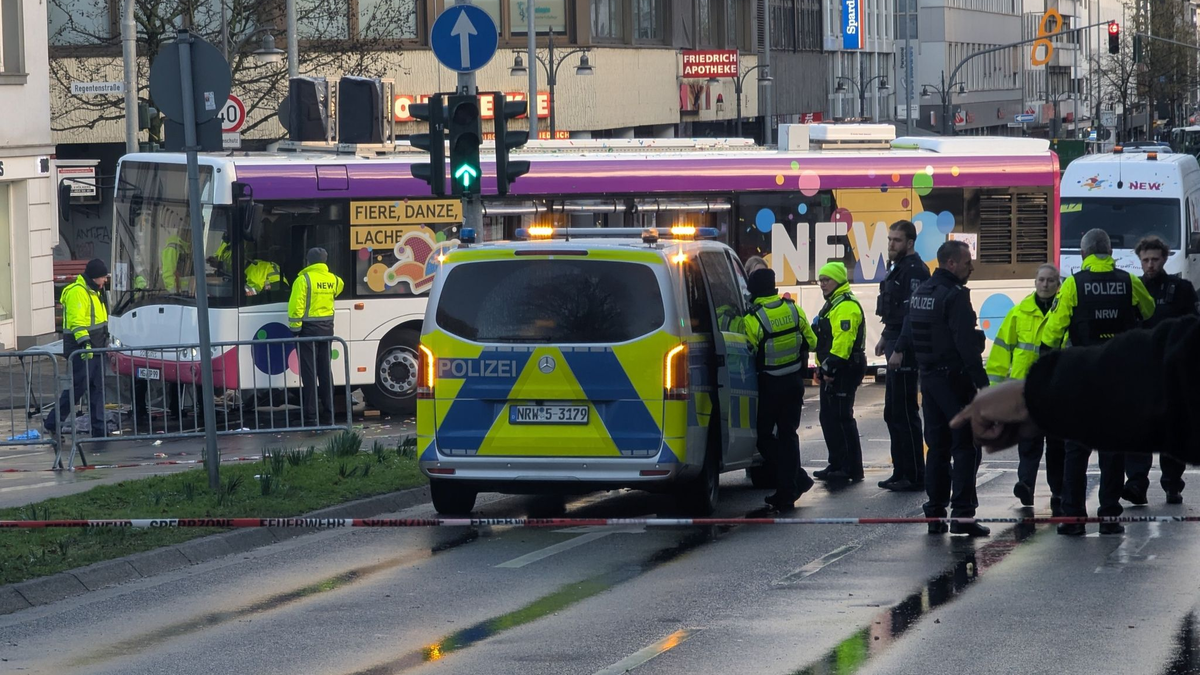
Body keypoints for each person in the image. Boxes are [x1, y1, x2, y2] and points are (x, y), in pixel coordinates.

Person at [1038, 228, 1155, 535]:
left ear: (1084, 254)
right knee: (1113, 450)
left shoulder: (1073, 285)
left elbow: (1052, 333)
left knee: (1076, 450)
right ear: (1110, 253)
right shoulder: (1129, 281)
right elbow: (1149, 310)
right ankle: (1110, 517)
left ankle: (1074, 518)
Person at [951, 316, 1200, 457]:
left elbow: (1179, 371)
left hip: (1043, 392)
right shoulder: (1023, 311)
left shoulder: (1071, 289)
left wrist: (1039, 394)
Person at [894, 240, 990, 537]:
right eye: (967, 262)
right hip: (955, 380)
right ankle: (962, 515)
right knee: (965, 447)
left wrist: (899, 349)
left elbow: (909, 329)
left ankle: (935, 513)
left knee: (937, 448)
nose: (971, 267)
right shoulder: (954, 295)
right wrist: (983, 384)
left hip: (929, 380)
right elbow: (965, 345)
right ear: (951, 263)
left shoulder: (922, 292)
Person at [1122, 235, 1197, 506]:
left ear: (1164, 259)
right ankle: (1136, 483)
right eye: (1146, 260)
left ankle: (1172, 484)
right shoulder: (1132, 288)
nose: (1150, 264)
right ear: (1139, 261)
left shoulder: (1181, 289)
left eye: (1155, 259)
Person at [984, 264, 1064, 514]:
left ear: (1058, 285)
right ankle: (1025, 485)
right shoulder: (1018, 313)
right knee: (1028, 441)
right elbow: (1000, 352)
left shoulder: (1064, 312)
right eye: (1041, 280)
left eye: (1050, 280)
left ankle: (1058, 491)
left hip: (1055, 390)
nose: (1045, 284)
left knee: (1056, 445)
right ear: (1035, 282)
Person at [741, 268, 819, 510]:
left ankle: (795, 481)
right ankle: (788, 490)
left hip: (770, 386)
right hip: (794, 384)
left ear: (753, 291)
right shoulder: (794, 309)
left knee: (765, 438)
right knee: (788, 435)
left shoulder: (752, 319)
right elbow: (813, 342)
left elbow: (746, 355)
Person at [874, 220, 930, 492]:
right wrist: (885, 337)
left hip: (905, 348)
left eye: (896, 240)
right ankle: (900, 471)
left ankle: (915, 474)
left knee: (905, 413)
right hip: (895, 339)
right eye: (890, 239)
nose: (891, 244)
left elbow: (912, 313)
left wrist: (899, 348)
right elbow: (894, 311)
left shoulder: (915, 270)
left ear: (910, 242)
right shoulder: (897, 267)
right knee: (892, 412)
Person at [811, 262, 867, 483]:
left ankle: (850, 468)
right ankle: (836, 463)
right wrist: (821, 367)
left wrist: (829, 367)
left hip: (844, 369)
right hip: (834, 369)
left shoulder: (845, 306)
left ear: (839, 281)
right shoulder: (832, 304)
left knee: (842, 418)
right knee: (828, 417)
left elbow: (843, 344)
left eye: (827, 280)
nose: (822, 284)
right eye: (821, 280)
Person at [45, 259, 110, 438]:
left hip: (95, 347)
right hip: (82, 349)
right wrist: (85, 343)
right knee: (77, 388)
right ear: (95, 277)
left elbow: (98, 321)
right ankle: (53, 422)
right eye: (103, 277)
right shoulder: (78, 292)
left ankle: (99, 428)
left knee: (97, 388)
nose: (105, 280)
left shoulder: (94, 291)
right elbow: (77, 322)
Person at [288, 248, 345, 427]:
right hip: (327, 331)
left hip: (308, 332)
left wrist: (295, 329)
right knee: (325, 372)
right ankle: (329, 413)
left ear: (308, 261)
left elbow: (296, 306)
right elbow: (339, 289)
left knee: (309, 374)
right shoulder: (334, 280)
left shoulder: (303, 280)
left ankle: (311, 415)